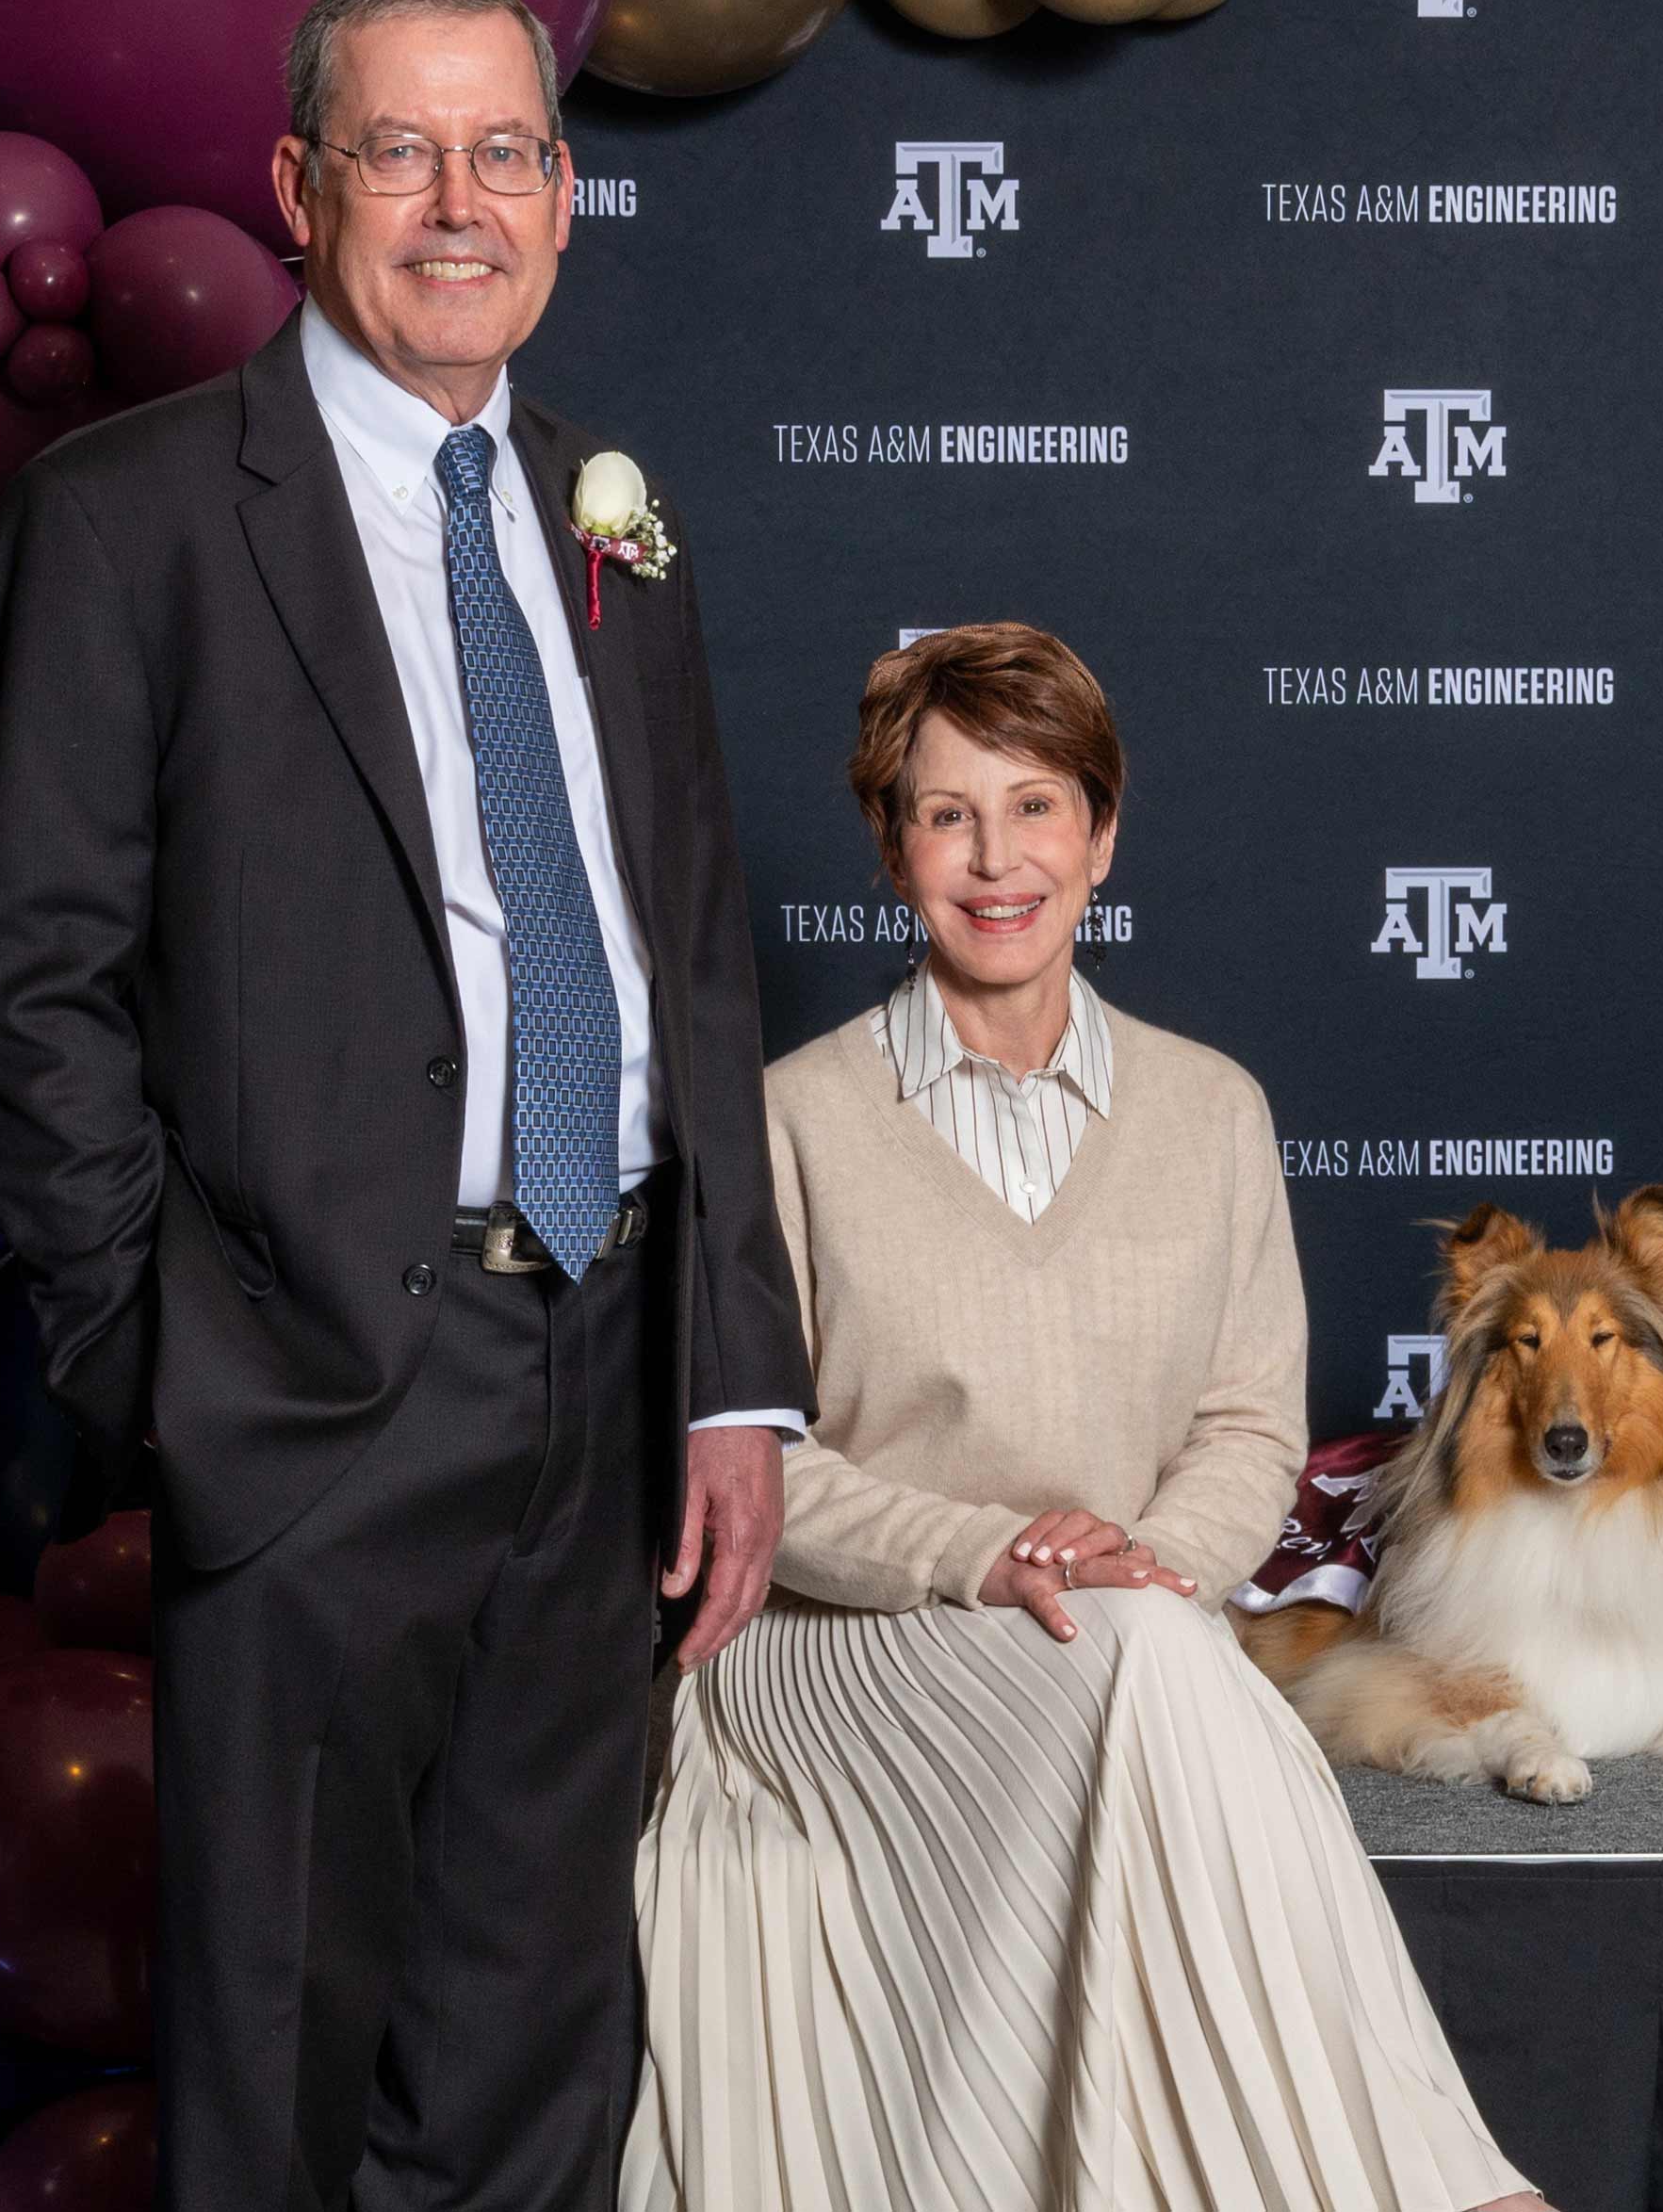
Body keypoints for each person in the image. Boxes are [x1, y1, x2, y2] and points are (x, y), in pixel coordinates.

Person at [0, 0, 809, 2212]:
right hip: (314, 1380)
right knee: (279, 2065)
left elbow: (692, 952)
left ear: (561, 194)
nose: (457, 200)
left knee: (535, 2045)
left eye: (501, 150)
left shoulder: (615, 521)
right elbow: (22, 980)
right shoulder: (130, 517)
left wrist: (730, 1378)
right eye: (399, 150)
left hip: (605, 1374)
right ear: (298, 187)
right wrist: (169, 1352)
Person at [623, 624, 1547, 2212]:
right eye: (946, 811)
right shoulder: (785, 1118)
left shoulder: (1212, 1109)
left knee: (1151, 1653)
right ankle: (1445, 2191)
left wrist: (1141, 1561)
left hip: (1135, 1625)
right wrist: (992, 1555)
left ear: (1103, 834)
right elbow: (761, 1463)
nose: (996, 858)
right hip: (851, 1641)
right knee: (1150, 1663)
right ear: (888, 844)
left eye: (1036, 804)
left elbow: (1253, 1429)